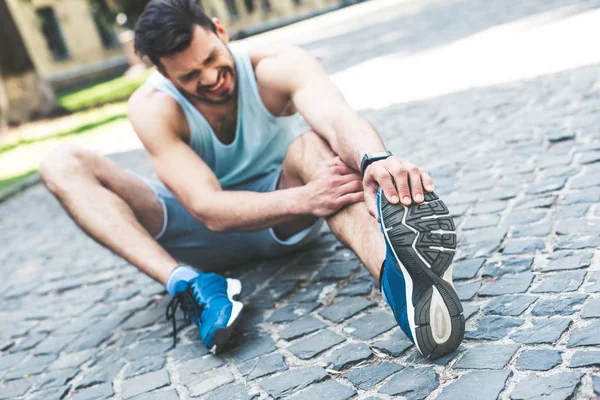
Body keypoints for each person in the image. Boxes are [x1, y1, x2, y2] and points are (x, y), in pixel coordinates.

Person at [39, 0, 463, 359]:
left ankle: (401, 282)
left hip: (285, 205)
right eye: (188, 76)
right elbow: (207, 208)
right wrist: (306, 199)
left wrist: (373, 159)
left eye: (210, 59)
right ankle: (187, 284)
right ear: (166, 76)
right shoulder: (152, 106)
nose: (207, 78)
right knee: (60, 161)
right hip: (199, 228)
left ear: (220, 31)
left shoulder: (278, 66)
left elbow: (335, 117)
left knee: (317, 148)